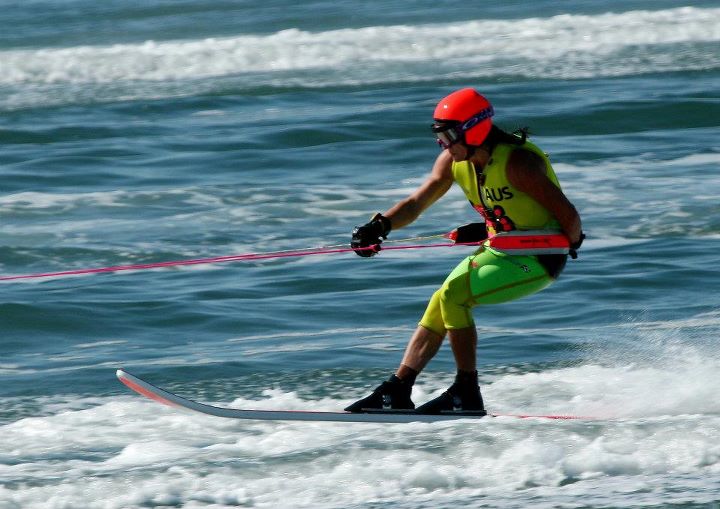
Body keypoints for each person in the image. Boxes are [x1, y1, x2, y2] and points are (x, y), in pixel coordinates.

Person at [346, 87, 583, 415]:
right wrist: (381, 226)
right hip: (498, 250)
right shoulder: (454, 162)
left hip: (537, 258)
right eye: (440, 137)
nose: (443, 144)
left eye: (450, 135)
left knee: (454, 296)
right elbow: (417, 202)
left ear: (475, 128)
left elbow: (570, 218)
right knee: (440, 300)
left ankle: (466, 391)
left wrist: (564, 243)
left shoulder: (519, 163)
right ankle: (398, 389)